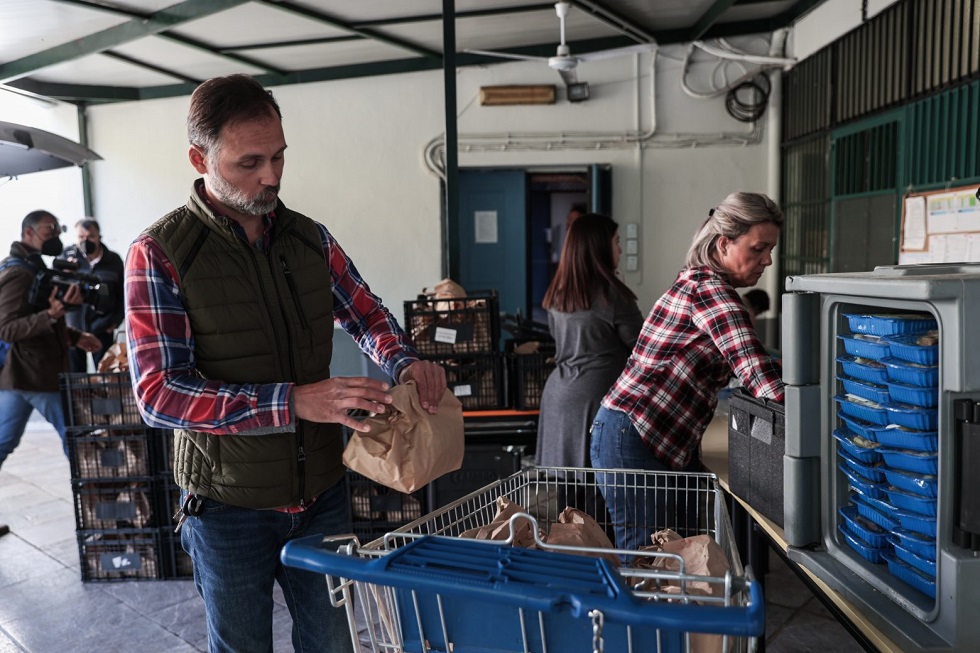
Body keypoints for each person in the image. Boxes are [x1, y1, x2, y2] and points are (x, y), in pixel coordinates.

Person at [125, 74, 447, 653]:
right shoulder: (161, 253)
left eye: (278, 157)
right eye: (250, 162)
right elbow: (158, 394)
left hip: (322, 495)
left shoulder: (308, 239)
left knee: (331, 644)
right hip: (228, 508)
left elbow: (366, 314)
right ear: (199, 158)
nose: (271, 176)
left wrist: (404, 363)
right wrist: (292, 401)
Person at [590, 192, 785, 550]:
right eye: (758, 249)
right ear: (724, 243)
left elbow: (747, 360)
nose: (767, 261)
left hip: (640, 435)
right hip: (635, 437)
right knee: (649, 563)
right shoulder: (713, 293)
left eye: (770, 250)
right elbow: (764, 382)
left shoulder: (700, 282)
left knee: (674, 556)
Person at [536, 213, 642, 469]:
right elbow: (643, 346)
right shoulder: (612, 295)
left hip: (558, 395)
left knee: (568, 492)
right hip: (596, 396)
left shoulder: (558, 295)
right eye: (616, 242)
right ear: (599, 248)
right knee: (599, 492)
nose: (619, 249)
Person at [0, 210, 101, 468]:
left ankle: (94, 492)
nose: (55, 236)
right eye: (49, 230)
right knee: (75, 435)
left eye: (58, 230)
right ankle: (95, 494)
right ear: (29, 233)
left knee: (4, 441)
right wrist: (51, 315)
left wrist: (74, 336)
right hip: (34, 372)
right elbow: (6, 328)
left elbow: (36, 318)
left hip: (23, 374)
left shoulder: (34, 265)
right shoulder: (18, 273)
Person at [58, 218, 125, 372]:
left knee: (106, 375)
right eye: (81, 237)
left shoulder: (113, 260)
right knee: (76, 377)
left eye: (90, 236)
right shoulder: (66, 258)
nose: (85, 241)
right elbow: (55, 290)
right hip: (73, 328)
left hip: (103, 327)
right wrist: (66, 273)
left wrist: (116, 320)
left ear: (99, 237)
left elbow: (123, 294)